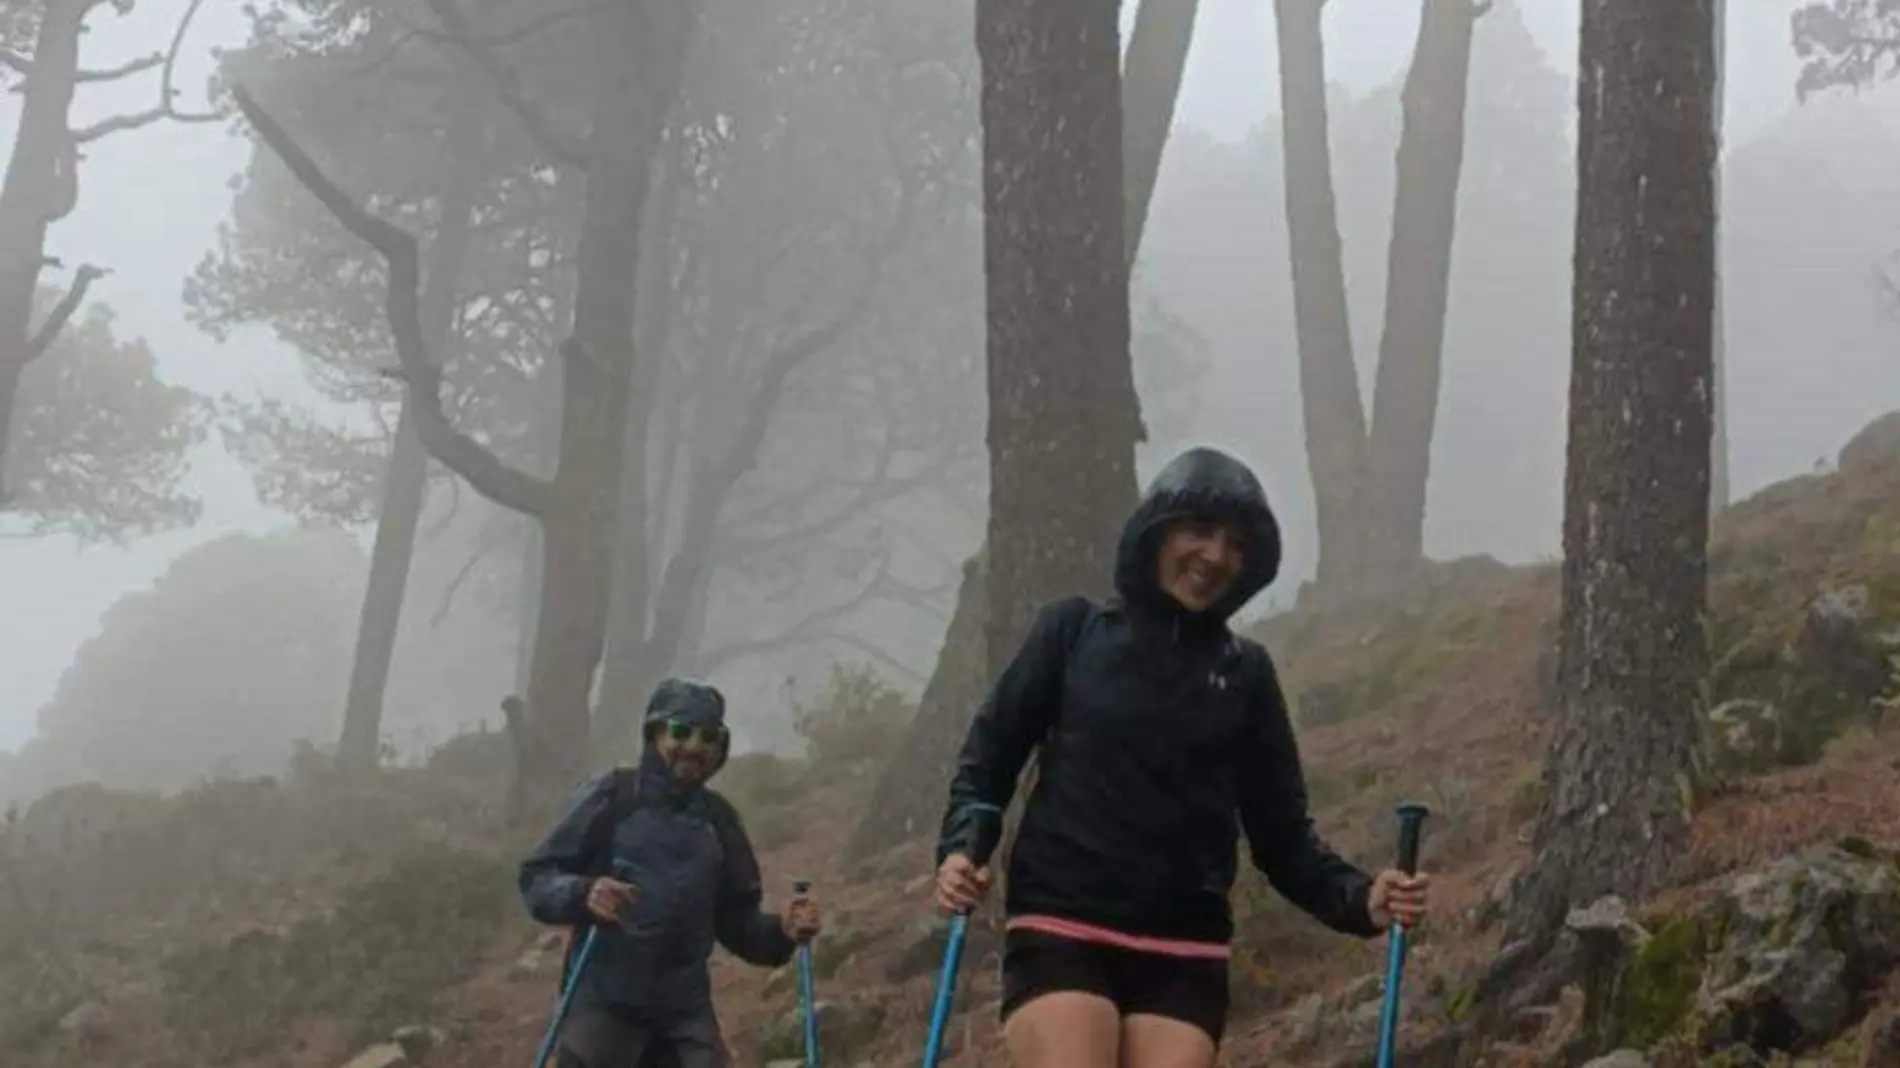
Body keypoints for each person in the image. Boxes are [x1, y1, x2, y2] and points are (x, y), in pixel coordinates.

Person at [931, 446, 1431, 1068]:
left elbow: (1283, 837)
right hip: (1063, 926)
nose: (1215, 556)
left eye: (1235, 544)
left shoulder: (1246, 674)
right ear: (1157, 530)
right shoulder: (1071, 634)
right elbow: (989, 761)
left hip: (1184, 949)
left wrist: (1362, 899)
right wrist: (960, 849)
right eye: (1199, 530)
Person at [520, 677, 822, 1068]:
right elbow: (537, 879)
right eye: (680, 731)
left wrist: (782, 932)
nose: (694, 746)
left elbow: (737, 923)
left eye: (708, 736)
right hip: (603, 1011)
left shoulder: (719, 822)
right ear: (655, 734)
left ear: (720, 747)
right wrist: (584, 892)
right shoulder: (611, 796)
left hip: (684, 1019)